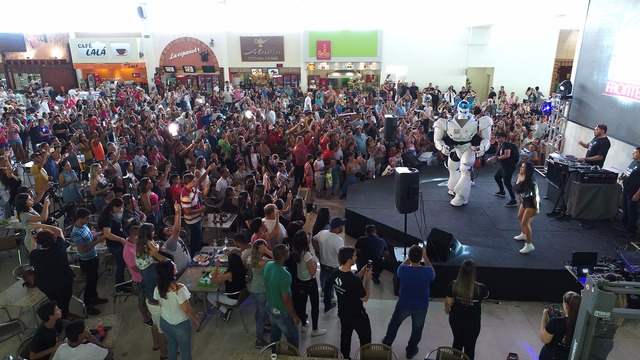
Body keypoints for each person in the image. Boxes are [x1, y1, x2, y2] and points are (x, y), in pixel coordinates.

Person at [434, 102, 492, 206]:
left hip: (468, 148)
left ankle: (461, 196)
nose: (464, 110)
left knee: (465, 169)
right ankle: (453, 187)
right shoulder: (447, 123)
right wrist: (441, 146)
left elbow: (486, 139)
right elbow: (437, 140)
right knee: (452, 167)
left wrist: (483, 147)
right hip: (456, 148)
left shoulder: (478, 122)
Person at [382, 245, 435, 359]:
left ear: (409, 257)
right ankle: (411, 350)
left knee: (394, 323)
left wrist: (409, 257)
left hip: (404, 303)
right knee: (417, 328)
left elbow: (402, 265)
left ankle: (387, 343)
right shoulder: (426, 271)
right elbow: (433, 274)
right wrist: (425, 257)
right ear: (421, 257)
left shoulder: (403, 270)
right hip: (421, 306)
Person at [331, 246, 373, 359]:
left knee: (345, 337)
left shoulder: (335, 272)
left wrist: (361, 273)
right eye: (354, 256)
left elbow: (348, 282)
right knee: (365, 340)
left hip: (343, 313)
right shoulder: (353, 281)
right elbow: (365, 298)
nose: (356, 257)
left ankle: (345, 357)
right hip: (358, 316)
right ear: (349, 260)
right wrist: (368, 279)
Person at [154, 260, 200, 360]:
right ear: (170, 272)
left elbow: (160, 305)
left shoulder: (158, 287)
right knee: (185, 351)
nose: (175, 264)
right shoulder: (179, 289)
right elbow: (186, 309)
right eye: (173, 265)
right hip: (180, 325)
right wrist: (195, 319)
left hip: (165, 322)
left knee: (172, 346)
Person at [444, 259, 489, 360]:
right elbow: (486, 295)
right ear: (474, 272)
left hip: (456, 320)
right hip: (473, 323)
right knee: (470, 347)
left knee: (457, 343)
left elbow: (448, 302)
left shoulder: (453, 285)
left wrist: (447, 311)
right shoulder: (481, 288)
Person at [69, 208, 109, 316]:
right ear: (80, 218)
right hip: (86, 260)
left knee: (94, 278)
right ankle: (87, 304)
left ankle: (94, 297)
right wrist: (97, 241)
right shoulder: (76, 233)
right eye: (87, 218)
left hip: (92, 256)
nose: (89, 220)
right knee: (90, 282)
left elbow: (89, 238)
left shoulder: (84, 226)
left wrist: (97, 235)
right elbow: (83, 249)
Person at [29, 228, 75, 319]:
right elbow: (59, 230)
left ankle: (57, 317)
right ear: (53, 239)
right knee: (64, 303)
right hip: (63, 283)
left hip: (46, 285)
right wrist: (39, 224)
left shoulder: (35, 255)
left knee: (54, 302)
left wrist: (32, 239)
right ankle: (61, 321)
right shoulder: (60, 247)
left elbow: (32, 249)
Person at [263, 244, 301, 349]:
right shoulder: (285, 274)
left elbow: (265, 284)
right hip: (281, 311)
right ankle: (292, 356)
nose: (290, 252)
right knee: (293, 337)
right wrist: (294, 315)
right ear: (284, 256)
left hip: (270, 306)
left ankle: (274, 354)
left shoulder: (268, 265)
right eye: (288, 252)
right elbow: (286, 299)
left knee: (275, 334)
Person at [290, 230, 327, 337]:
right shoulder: (306, 255)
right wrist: (315, 264)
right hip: (310, 282)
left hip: (299, 280)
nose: (308, 238)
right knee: (314, 305)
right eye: (307, 237)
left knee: (301, 304)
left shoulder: (295, 252)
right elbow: (312, 272)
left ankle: (304, 324)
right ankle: (315, 329)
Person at [313, 217, 346, 313]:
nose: (343, 227)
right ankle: (341, 309)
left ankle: (327, 305)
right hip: (334, 268)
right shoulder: (338, 240)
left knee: (327, 287)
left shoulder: (322, 233)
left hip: (323, 265)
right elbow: (341, 256)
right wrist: (342, 269)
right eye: (341, 226)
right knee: (340, 289)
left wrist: (318, 252)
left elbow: (313, 240)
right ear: (337, 227)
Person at [97, 197, 129, 293]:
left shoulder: (112, 214)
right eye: (119, 208)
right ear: (114, 207)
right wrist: (121, 239)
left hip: (118, 244)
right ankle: (120, 286)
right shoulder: (108, 218)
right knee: (120, 265)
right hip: (116, 246)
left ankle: (122, 282)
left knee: (122, 264)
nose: (120, 210)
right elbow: (107, 234)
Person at [539, 291, 582, 360]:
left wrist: (544, 317)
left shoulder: (555, 322)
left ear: (565, 306)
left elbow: (544, 339)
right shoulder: (582, 324)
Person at [207, 252, 247, 321]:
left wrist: (217, 267)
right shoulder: (242, 269)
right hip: (240, 294)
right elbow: (224, 276)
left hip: (233, 298)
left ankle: (225, 311)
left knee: (209, 296)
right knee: (220, 287)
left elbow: (214, 280)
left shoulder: (230, 274)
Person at [249, 239, 272, 348]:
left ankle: (263, 329)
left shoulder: (254, 259)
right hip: (261, 290)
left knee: (259, 312)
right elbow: (278, 260)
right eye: (264, 247)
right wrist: (267, 251)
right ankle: (259, 341)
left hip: (254, 288)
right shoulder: (262, 262)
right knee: (261, 316)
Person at [513, 161, 539, 254]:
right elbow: (519, 188)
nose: (521, 168)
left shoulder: (532, 183)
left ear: (527, 170)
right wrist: (520, 198)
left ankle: (529, 244)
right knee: (520, 217)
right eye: (521, 166)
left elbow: (536, 197)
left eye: (523, 167)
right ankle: (524, 234)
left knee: (525, 222)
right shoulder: (520, 176)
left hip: (532, 203)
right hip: (524, 200)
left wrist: (537, 209)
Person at [160, 202, 191, 276]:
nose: (170, 229)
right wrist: (178, 213)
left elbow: (175, 226)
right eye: (168, 231)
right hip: (181, 272)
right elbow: (176, 230)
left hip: (188, 267)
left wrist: (177, 212)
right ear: (166, 237)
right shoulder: (169, 243)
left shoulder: (172, 237)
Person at [180, 173, 207, 255]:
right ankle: (195, 255)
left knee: (198, 236)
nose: (195, 182)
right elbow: (187, 211)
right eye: (193, 181)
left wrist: (207, 187)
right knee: (195, 238)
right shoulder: (185, 195)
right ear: (188, 183)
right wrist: (200, 210)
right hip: (192, 220)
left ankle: (199, 247)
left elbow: (202, 195)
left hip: (198, 217)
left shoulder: (193, 188)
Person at [489, 132, 518, 207]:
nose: (497, 138)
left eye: (499, 137)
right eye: (497, 137)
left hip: (509, 166)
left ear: (504, 138)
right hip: (504, 165)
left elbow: (507, 154)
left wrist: (497, 158)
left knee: (507, 182)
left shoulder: (507, 145)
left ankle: (513, 200)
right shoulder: (502, 145)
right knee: (497, 177)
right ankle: (502, 191)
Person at [617, 147, 640, 237]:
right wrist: (623, 177)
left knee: (632, 212)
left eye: (635, 153)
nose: (633, 154)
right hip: (626, 190)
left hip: (634, 192)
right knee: (625, 209)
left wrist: (637, 194)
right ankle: (624, 226)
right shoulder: (633, 162)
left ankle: (630, 230)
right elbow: (629, 173)